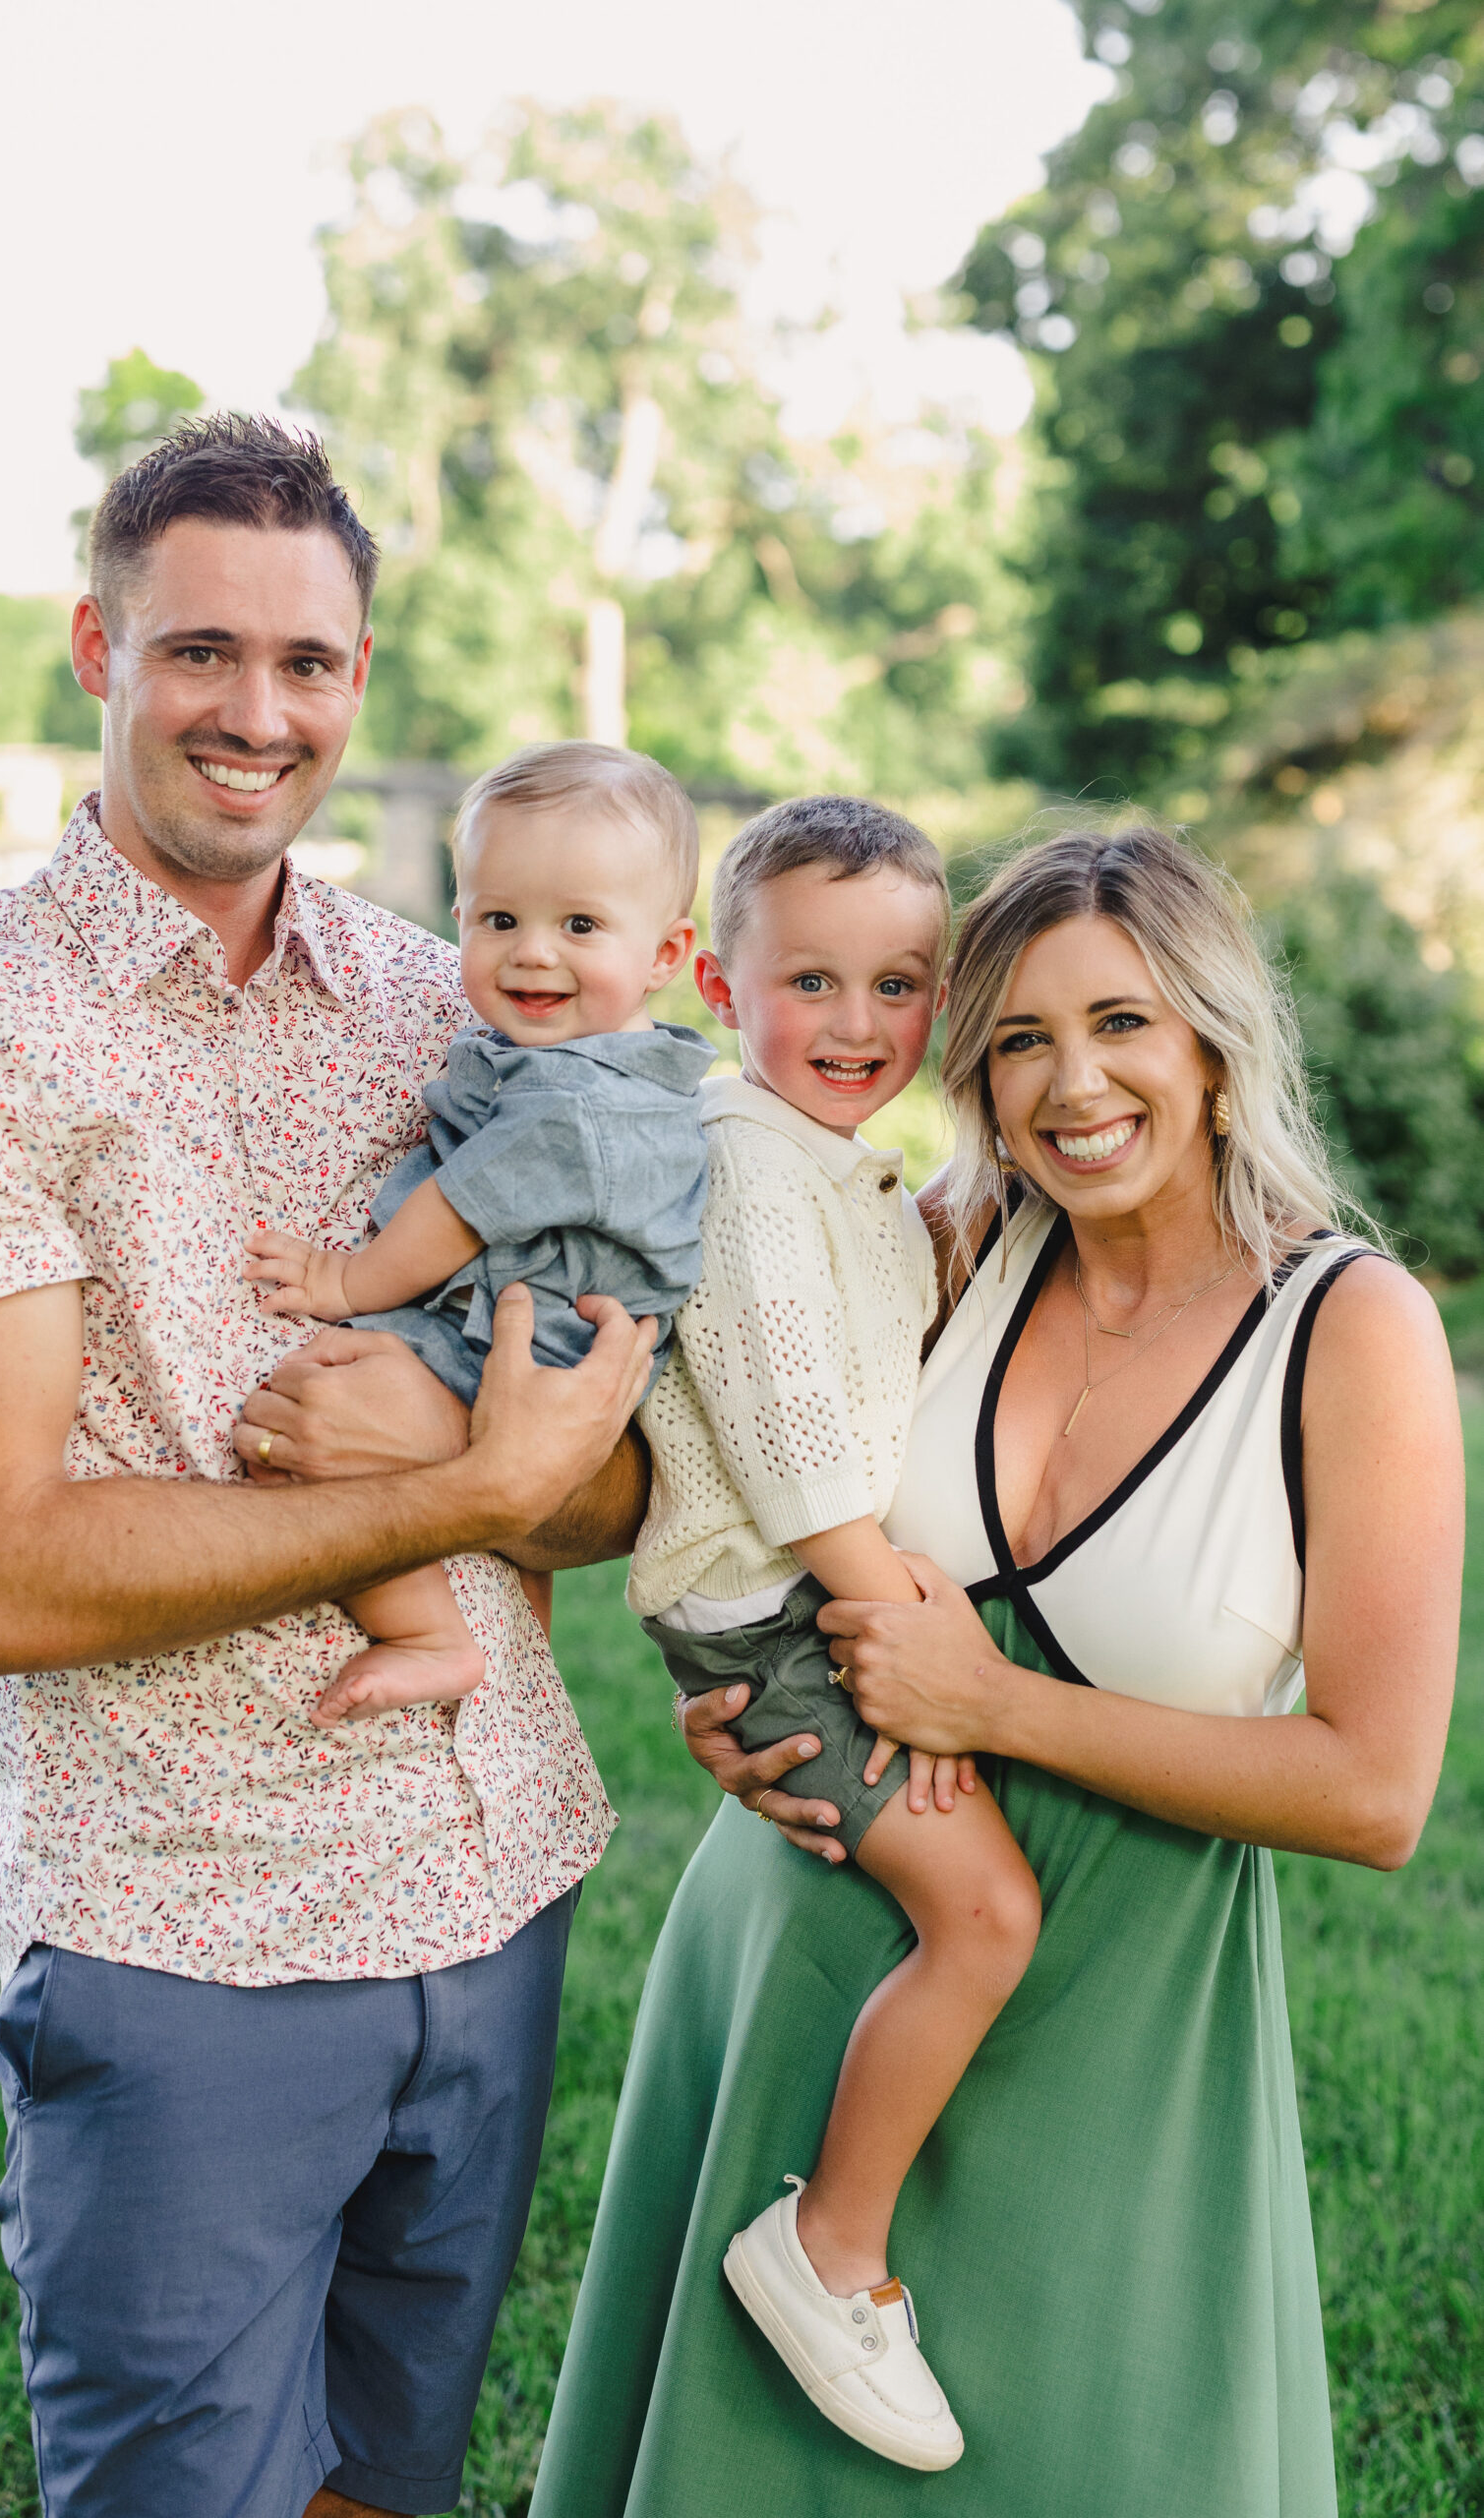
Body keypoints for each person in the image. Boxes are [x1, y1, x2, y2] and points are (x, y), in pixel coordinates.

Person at [0, 415, 656, 2518]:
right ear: (95, 646)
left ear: (360, 680)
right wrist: (451, 1494)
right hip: (190, 1936)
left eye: (308, 663)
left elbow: (616, 1486)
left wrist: (482, 1445)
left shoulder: (445, 995)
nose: (256, 712)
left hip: (493, 1879)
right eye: (200, 651)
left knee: (393, 2482)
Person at [527, 823, 1461, 2518]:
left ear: (1211, 1038)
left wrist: (999, 1708)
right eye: (1019, 1037)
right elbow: (729, 1453)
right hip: (802, 1951)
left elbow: (1377, 1792)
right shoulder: (953, 1241)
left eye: (1120, 1023)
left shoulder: (1347, 1328)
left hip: (1115, 2005)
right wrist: (727, 1697)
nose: (1071, 1082)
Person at [627, 797, 1039, 2470]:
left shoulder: (840, 1169)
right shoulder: (742, 1169)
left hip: (829, 1587)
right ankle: (827, 2250)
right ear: (722, 985)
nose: (858, 1025)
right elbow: (801, 1469)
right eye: (811, 981)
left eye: (898, 983)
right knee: (987, 1912)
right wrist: (943, 1674)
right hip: (791, 1613)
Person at [245, 740, 711, 1722]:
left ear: (667, 953)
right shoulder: (604, 1066)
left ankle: (430, 1630)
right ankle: (488, 1630)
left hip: (531, 1345)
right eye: (500, 918)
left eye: (580, 924)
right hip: (542, 1331)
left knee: (306, 1423)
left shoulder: (574, 1108)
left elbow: (456, 1214)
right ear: (458, 918)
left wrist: (343, 1282)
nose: (533, 950)